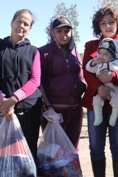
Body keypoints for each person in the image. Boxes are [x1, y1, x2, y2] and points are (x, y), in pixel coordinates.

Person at [82, 7, 118, 177]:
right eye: (103, 23)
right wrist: (99, 87)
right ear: (98, 26)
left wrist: (112, 77)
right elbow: (86, 71)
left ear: (117, 24)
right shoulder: (91, 46)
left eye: (111, 22)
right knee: (96, 147)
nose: (108, 26)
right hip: (96, 101)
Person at [0, 9, 43, 165]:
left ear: (29, 29)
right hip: (4, 111)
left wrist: (14, 99)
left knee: (28, 155)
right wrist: (3, 101)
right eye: (19, 21)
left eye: (26, 24)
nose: (21, 25)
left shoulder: (33, 52)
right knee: (6, 156)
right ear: (12, 22)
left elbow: (35, 80)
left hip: (29, 110)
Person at [38, 15, 87, 150]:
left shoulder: (76, 54)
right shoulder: (44, 53)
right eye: (59, 31)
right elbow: (39, 82)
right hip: (55, 112)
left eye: (66, 31)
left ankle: (72, 172)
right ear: (52, 33)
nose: (63, 35)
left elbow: (81, 76)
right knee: (54, 152)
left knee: (72, 150)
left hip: (76, 110)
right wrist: (48, 108)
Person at [86, 38, 118, 127]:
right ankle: (98, 117)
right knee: (96, 100)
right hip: (101, 86)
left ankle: (113, 117)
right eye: (100, 53)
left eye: (105, 54)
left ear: (113, 55)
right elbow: (88, 69)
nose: (101, 56)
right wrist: (94, 62)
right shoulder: (98, 62)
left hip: (115, 87)